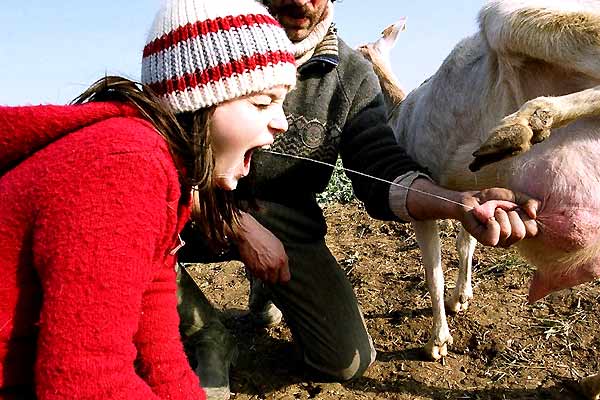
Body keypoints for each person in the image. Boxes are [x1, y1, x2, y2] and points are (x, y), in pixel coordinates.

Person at [176, 0, 541, 398]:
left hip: (284, 220)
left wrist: (457, 203)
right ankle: (206, 333)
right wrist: (238, 227)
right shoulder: (208, 46)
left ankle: (268, 284)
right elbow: (153, 155)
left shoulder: (350, 76)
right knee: (122, 224)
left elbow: (382, 168)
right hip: (189, 205)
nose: (301, 1)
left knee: (344, 359)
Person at [0, 0, 296, 398]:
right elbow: (84, 380)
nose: (282, 121)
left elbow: (157, 340)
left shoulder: (166, 177)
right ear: (196, 100)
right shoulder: (125, 168)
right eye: (261, 102)